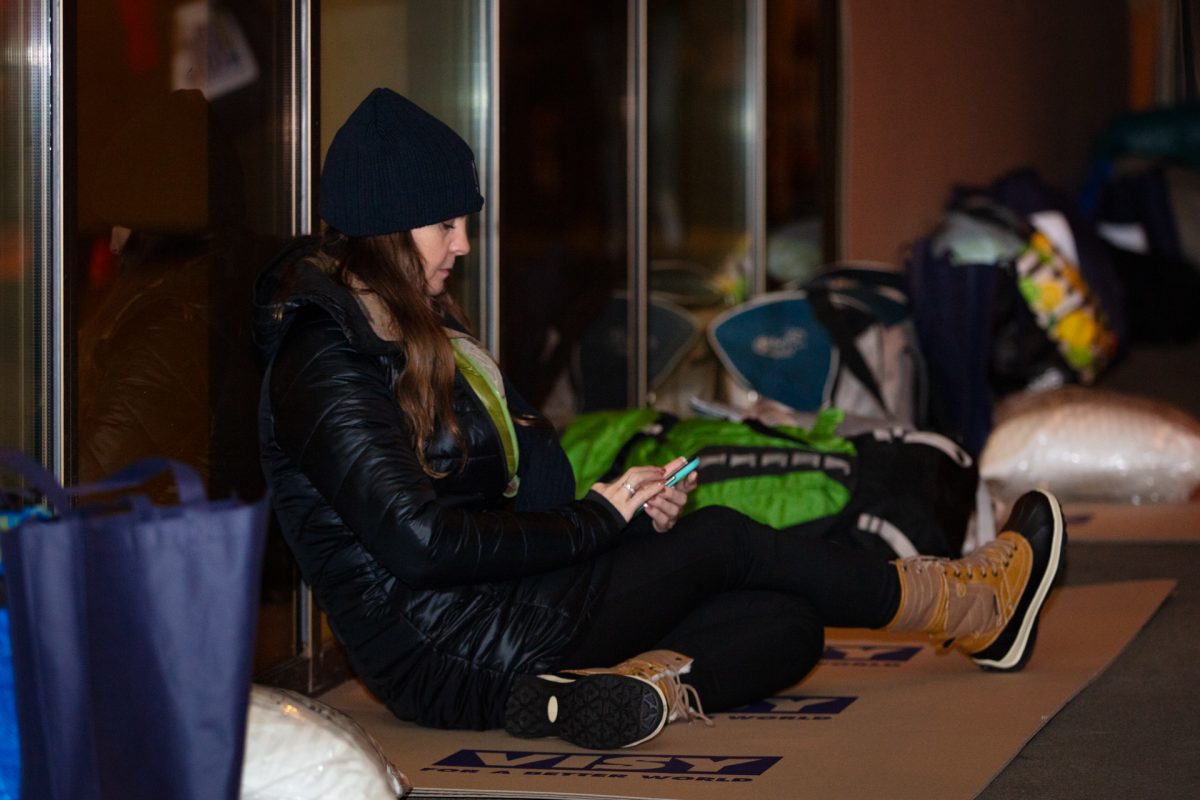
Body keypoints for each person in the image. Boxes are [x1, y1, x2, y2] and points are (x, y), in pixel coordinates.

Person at [256, 88, 1067, 750]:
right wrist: (597, 521)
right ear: (391, 231)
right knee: (720, 540)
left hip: (496, 609)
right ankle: (968, 607)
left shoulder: (417, 324)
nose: (464, 245)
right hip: (445, 650)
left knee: (787, 627)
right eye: (447, 226)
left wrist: (624, 514)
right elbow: (423, 545)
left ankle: (622, 694)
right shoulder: (324, 362)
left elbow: (518, 496)